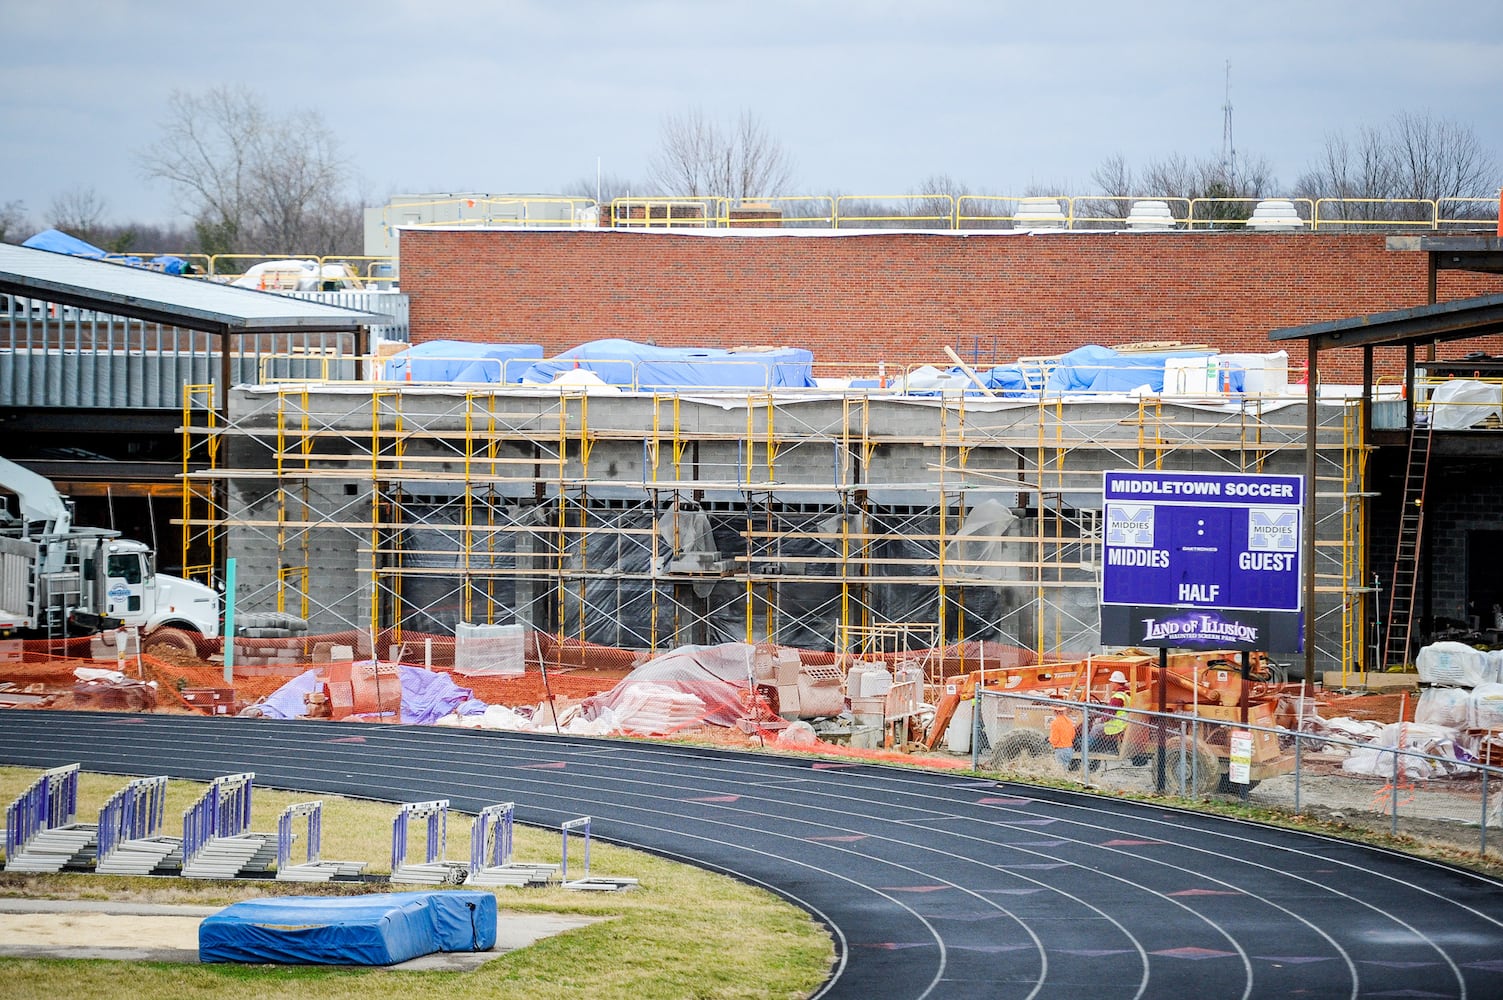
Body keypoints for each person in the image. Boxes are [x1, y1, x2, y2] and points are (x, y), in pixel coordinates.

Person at [1089, 670, 1131, 754]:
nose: (1111, 684)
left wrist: (1099, 720)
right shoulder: (1126, 694)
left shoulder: (1117, 697)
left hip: (1116, 725)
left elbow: (1109, 715)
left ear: (1116, 683)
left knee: (1095, 728)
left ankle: (1086, 748)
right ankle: (1104, 747)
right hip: (1124, 723)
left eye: (1111, 682)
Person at [1048, 703, 1078, 769]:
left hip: (1060, 750)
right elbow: (1073, 735)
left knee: (1060, 770)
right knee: (1065, 768)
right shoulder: (1069, 721)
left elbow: (1054, 739)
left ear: (1055, 712)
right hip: (1069, 749)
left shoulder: (1055, 723)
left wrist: (1049, 740)